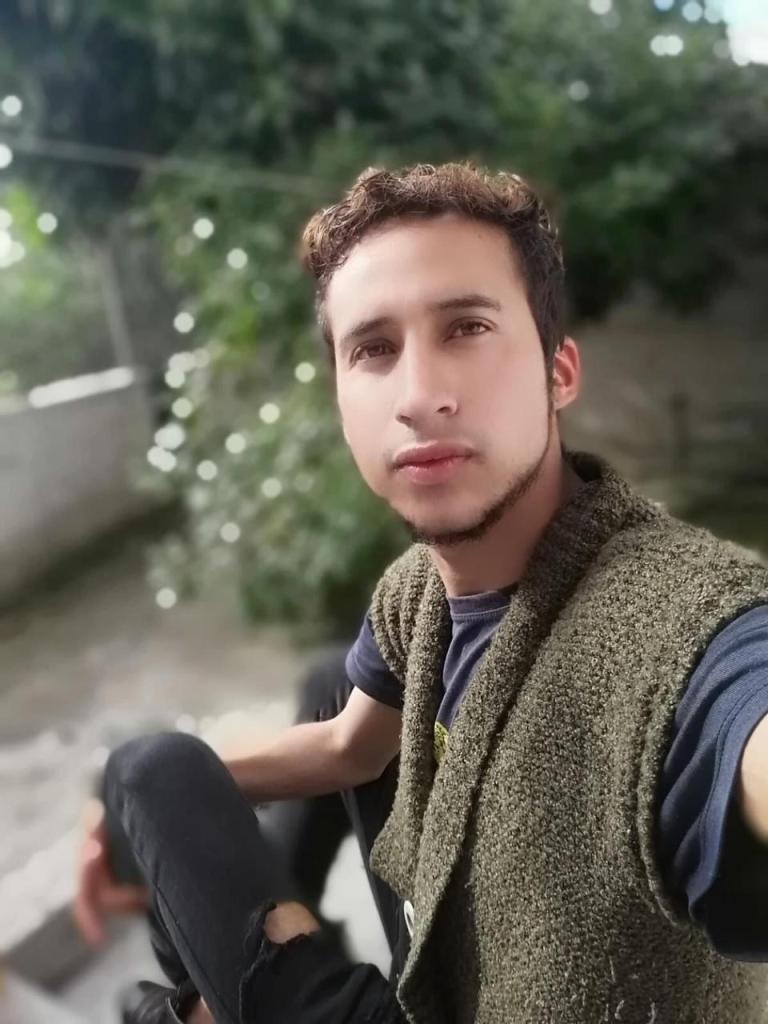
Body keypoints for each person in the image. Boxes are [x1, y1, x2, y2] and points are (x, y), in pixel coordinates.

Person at [74, 162, 768, 1023]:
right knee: (165, 768)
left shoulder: (676, 621)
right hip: (435, 977)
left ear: (558, 372)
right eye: (373, 350)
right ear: (341, 399)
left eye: (467, 328)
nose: (418, 396)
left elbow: (734, 692)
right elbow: (349, 749)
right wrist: (146, 817)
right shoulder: (417, 594)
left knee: (150, 868)